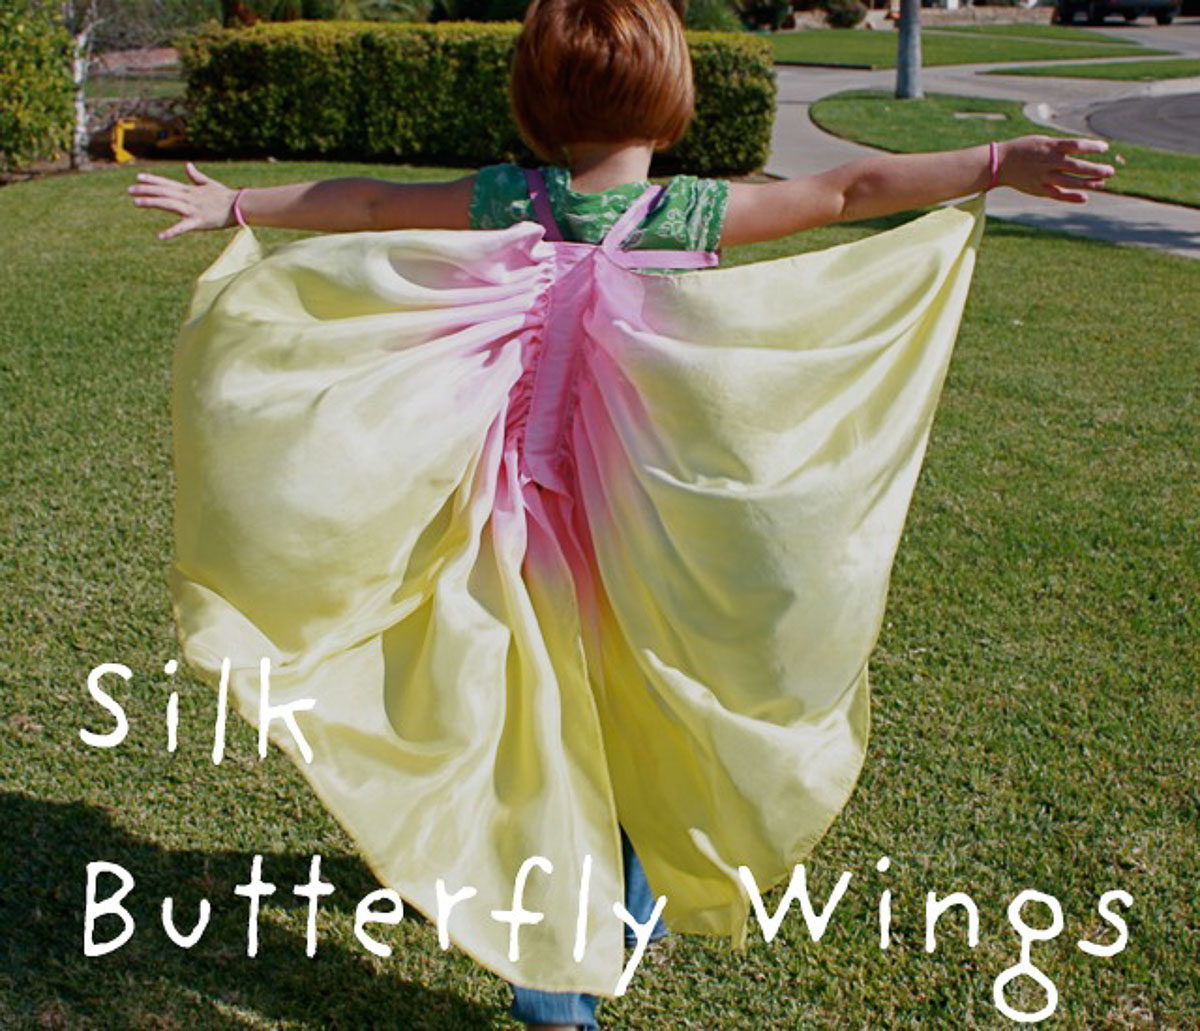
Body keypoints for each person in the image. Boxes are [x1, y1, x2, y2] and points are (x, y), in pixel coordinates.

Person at [130, 2, 1114, 1028]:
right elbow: (846, 188)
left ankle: (572, 919)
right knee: (639, 724)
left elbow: (374, 201)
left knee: (534, 720)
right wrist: (998, 156)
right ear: (674, 93)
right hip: (651, 539)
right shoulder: (689, 213)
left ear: (537, 97)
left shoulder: (512, 198)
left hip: (511, 525)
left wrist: (240, 201)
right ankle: (568, 968)